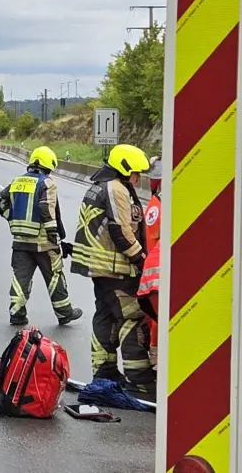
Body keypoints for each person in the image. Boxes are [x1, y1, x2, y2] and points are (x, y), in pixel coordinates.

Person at [71, 144, 154, 392]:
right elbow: (121, 230)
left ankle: (104, 371)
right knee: (133, 316)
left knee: (106, 316)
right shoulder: (115, 188)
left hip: (99, 268)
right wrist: (142, 260)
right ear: (125, 168)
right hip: (115, 267)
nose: (138, 178)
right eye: (136, 173)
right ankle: (139, 378)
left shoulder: (100, 186)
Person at [0, 146, 82, 326]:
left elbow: (0, 200)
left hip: (20, 241)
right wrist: (53, 235)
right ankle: (64, 312)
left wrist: (11, 219)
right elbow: (45, 207)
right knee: (55, 277)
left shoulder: (16, 181)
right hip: (43, 243)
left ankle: (17, 314)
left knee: (20, 278)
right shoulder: (47, 183)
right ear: (48, 166)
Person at [139, 161, 164, 370]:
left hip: (157, 267)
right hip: (157, 269)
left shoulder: (160, 204)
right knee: (157, 317)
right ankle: (155, 354)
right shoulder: (156, 206)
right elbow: (151, 241)